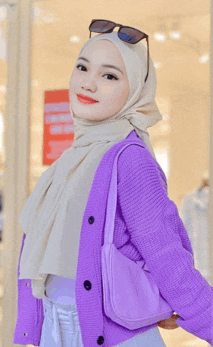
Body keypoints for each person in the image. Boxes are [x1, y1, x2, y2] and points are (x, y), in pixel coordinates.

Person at [13, 20, 213, 347]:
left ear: (134, 91)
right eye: (82, 67)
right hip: (56, 327)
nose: (89, 84)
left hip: (112, 336)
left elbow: (167, 258)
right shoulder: (66, 162)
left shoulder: (129, 159)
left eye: (109, 76)